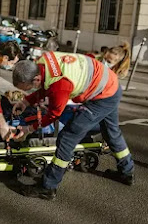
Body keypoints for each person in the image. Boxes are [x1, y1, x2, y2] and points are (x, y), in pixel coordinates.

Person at [11, 52, 134, 200]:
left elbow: (54, 114)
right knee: (111, 132)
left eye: (28, 87)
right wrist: (26, 101)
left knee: (67, 138)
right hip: (109, 85)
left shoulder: (60, 84)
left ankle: (48, 187)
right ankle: (127, 173)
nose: (30, 90)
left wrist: (29, 129)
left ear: (35, 79)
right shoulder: (43, 61)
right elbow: (45, 85)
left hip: (102, 95)